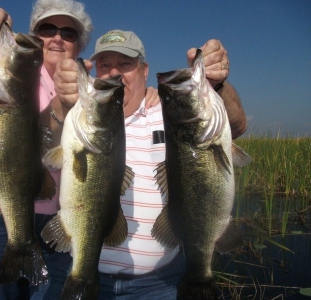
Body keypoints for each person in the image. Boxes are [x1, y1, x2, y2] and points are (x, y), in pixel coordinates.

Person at [0, 2, 159, 299]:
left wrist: (152, 92)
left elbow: (119, 100)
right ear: (35, 35)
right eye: (48, 29)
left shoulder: (89, 86)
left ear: (79, 44)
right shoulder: (12, 61)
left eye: (68, 32)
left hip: (53, 213)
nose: (57, 38)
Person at [38, 29, 247, 299]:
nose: (114, 73)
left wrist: (216, 84)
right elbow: (39, 146)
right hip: (76, 268)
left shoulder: (173, 111)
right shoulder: (78, 115)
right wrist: (60, 103)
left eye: (125, 64)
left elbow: (237, 125)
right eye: (105, 65)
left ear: (145, 70)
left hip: (160, 282)